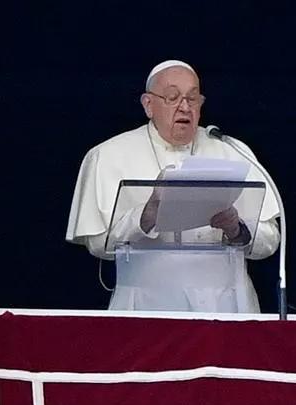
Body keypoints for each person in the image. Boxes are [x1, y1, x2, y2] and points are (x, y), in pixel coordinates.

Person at [65, 60, 283, 313]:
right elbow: (98, 244)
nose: (185, 107)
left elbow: (270, 241)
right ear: (148, 104)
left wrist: (237, 229)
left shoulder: (233, 151)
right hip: (147, 306)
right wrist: (148, 213)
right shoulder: (108, 154)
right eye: (172, 97)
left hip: (227, 305)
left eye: (193, 99)